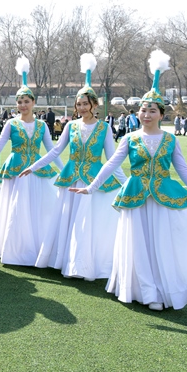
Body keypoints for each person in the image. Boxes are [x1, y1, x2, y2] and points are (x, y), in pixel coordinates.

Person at [71, 50, 187, 311]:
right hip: (135, 198)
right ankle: (145, 292)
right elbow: (111, 163)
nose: (146, 114)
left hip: (163, 200)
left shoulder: (170, 140)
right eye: (143, 110)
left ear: (161, 113)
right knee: (137, 245)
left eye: (152, 110)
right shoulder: (129, 138)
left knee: (161, 245)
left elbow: (184, 171)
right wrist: (91, 188)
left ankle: (161, 290)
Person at [19, 54, 126, 280]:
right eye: (79, 104)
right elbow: (55, 151)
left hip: (93, 181)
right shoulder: (71, 126)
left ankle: (83, 265)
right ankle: (65, 260)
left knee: (86, 223)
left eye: (85, 103)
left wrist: (125, 183)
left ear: (94, 105)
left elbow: (112, 158)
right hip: (70, 181)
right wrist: (34, 166)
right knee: (68, 219)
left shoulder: (104, 128)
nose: (82, 107)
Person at [0, 57, 63, 266]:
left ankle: (38, 248)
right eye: (19, 102)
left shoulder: (42, 125)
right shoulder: (11, 123)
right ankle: (15, 249)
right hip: (16, 171)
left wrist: (64, 169)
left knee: (38, 209)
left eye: (26, 101)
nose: (23, 105)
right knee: (16, 209)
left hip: (37, 171)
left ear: (33, 102)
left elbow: (52, 150)